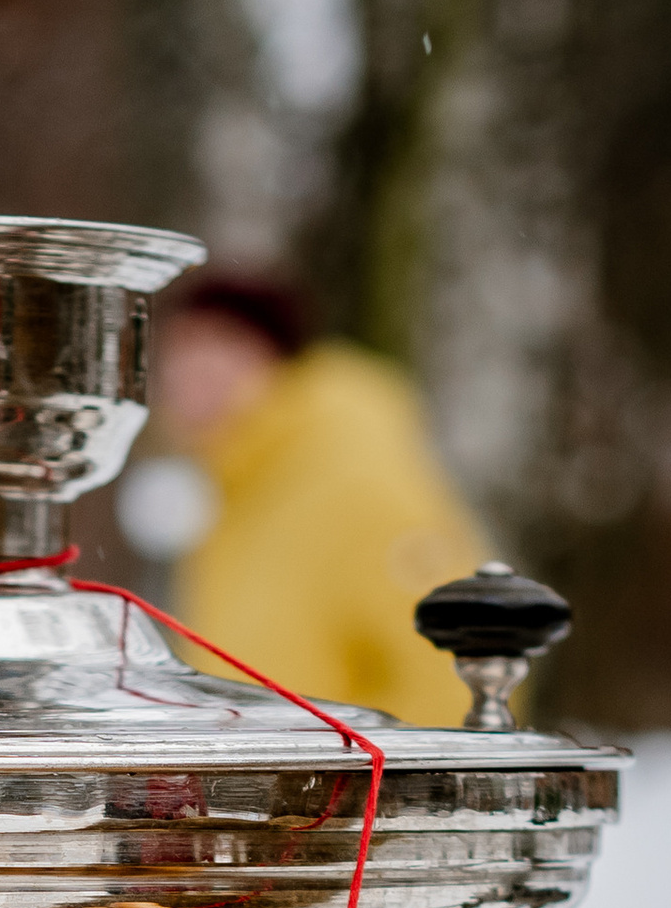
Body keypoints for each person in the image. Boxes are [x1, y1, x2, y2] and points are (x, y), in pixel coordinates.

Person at [148, 274, 482, 727]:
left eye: (218, 347)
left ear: (277, 360)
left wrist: (365, 791)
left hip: (338, 790)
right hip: (258, 788)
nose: (188, 373)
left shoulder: (353, 474)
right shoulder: (235, 490)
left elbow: (456, 673)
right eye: (178, 352)